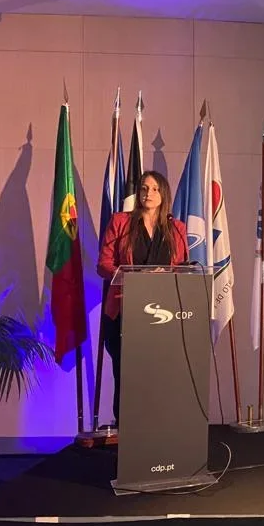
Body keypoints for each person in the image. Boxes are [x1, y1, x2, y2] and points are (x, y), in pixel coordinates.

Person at [97, 171, 188, 427]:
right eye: (145, 188)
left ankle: (158, 430)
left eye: (155, 189)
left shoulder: (176, 229)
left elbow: (182, 268)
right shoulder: (121, 222)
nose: (149, 193)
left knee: (159, 375)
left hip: (164, 314)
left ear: (164, 194)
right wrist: (134, 277)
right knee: (126, 375)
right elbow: (103, 264)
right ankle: (126, 430)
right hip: (124, 312)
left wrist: (165, 274)